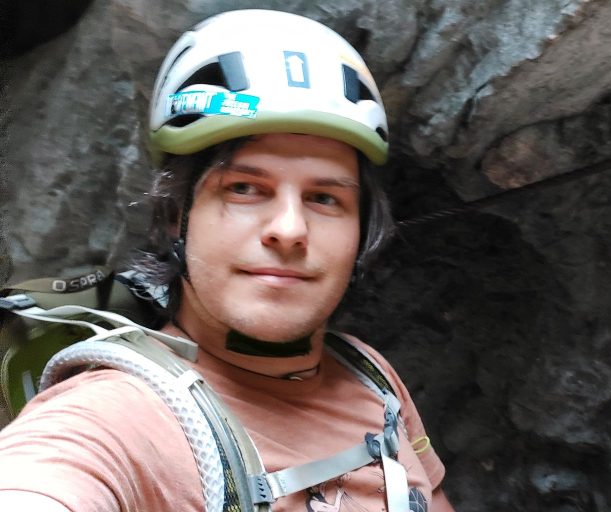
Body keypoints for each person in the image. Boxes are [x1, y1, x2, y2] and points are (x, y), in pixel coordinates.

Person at [0, 9, 453, 512]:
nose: (289, 229)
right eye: (243, 188)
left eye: (325, 198)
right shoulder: (110, 420)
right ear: (177, 214)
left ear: (361, 228)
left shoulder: (372, 378)